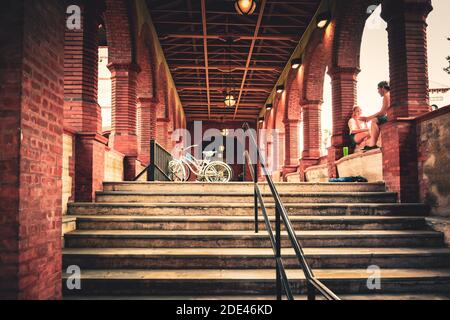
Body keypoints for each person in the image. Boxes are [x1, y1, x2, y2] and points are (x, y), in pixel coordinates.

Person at [360, 81, 391, 151]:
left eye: (378, 89)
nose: (378, 91)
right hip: (391, 117)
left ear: (382, 88)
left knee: (374, 121)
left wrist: (369, 118)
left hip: (391, 118)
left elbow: (383, 113)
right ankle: (372, 144)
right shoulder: (389, 94)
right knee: (376, 119)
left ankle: (373, 144)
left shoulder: (386, 95)